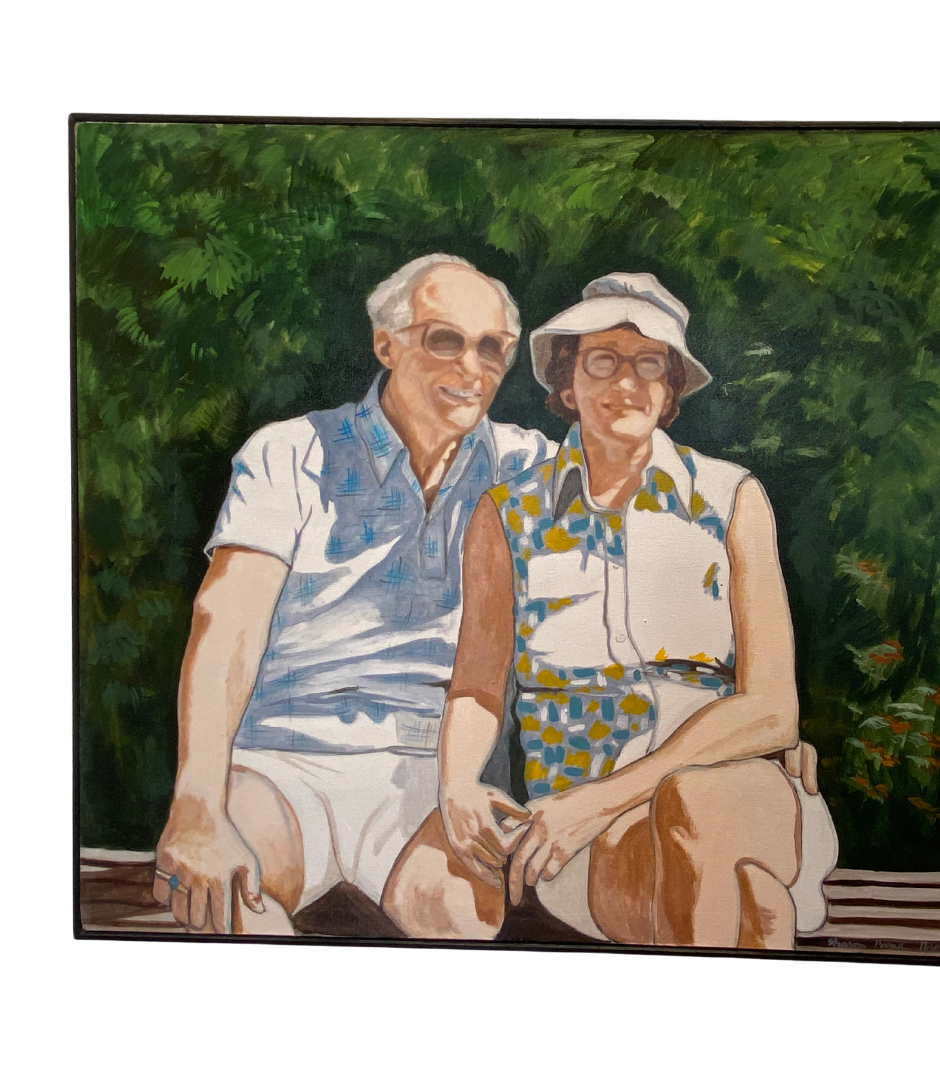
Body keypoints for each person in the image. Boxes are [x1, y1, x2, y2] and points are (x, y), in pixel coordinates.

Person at [383, 272, 839, 947]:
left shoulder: (731, 498)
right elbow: (478, 686)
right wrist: (456, 785)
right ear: (567, 384)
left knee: (694, 805)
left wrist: (600, 801)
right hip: (580, 828)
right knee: (738, 899)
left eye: (649, 363)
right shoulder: (509, 514)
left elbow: (773, 707)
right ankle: (759, 917)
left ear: (671, 388)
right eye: (602, 360)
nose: (626, 382)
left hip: (725, 791)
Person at [151, 254, 559, 934]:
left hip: (434, 777)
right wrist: (196, 806)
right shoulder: (291, 453)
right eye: (445, 340)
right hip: (279, 760)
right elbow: (227, 627)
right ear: (386, 344)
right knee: (232, 901)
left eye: (491, 347)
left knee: (460, 918)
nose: (471, 368)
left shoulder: (528, 467)